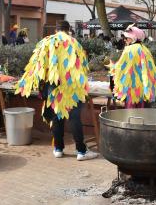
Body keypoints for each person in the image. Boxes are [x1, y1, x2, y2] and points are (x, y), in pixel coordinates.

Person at [15, 20, 98, 161]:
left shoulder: (46, 42)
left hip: (53, 86)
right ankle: (81, 151)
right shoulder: (74, 43)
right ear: (68, 30)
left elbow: (37, 66)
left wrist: (27, 83)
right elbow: (82, 67)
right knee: (74, 117)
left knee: (56, 117)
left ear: (56, 30)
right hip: (72, 87)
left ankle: (58, 149)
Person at [112, 25, 156, 108]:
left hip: (131, 89)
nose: (124, 40)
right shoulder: (145, 49)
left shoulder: (128, 49)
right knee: (143, 112)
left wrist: (112, 68)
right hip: (144, 88)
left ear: (133, 38)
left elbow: (120, 67)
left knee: (131, 112)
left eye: (126, 38)